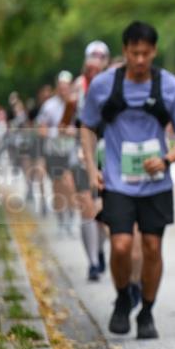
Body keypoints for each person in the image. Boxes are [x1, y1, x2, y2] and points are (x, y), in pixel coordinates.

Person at [80, 21, 175, 339]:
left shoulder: (170, 87)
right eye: (134, 53)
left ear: (154, 51)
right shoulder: (104, 85)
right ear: (125, 51)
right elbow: (87, 126)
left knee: (152, 247)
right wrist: (91, 168)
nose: (140, 60)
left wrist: (167, 159)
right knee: (120, 246)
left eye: (146, 53)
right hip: (117, 181)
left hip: (156, 182)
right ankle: (122, 298)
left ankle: (146, 310)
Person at [73, 41, 111, 281]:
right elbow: (70, 120)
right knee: (87, 207)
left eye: (101, 59)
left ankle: (99, 248)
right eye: (92, 60)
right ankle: (93, 263)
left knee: (103, 211)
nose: (95, 65)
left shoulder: (113, 84)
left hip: (107, 152)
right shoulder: (78, 87)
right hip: (82, 152)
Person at [36, 72, 78, 234]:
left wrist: (73, 132)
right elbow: (42, 129)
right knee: (58, 187)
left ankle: (71, 218)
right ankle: (61, 221)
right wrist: (54, 133)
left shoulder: (75, 104)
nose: (63, 90)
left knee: (70, 184)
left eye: (66, 87)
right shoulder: (49, 106)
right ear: (57, 87)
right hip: (54, 151)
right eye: (61, 87)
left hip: (70, 150)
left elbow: (83, 125)